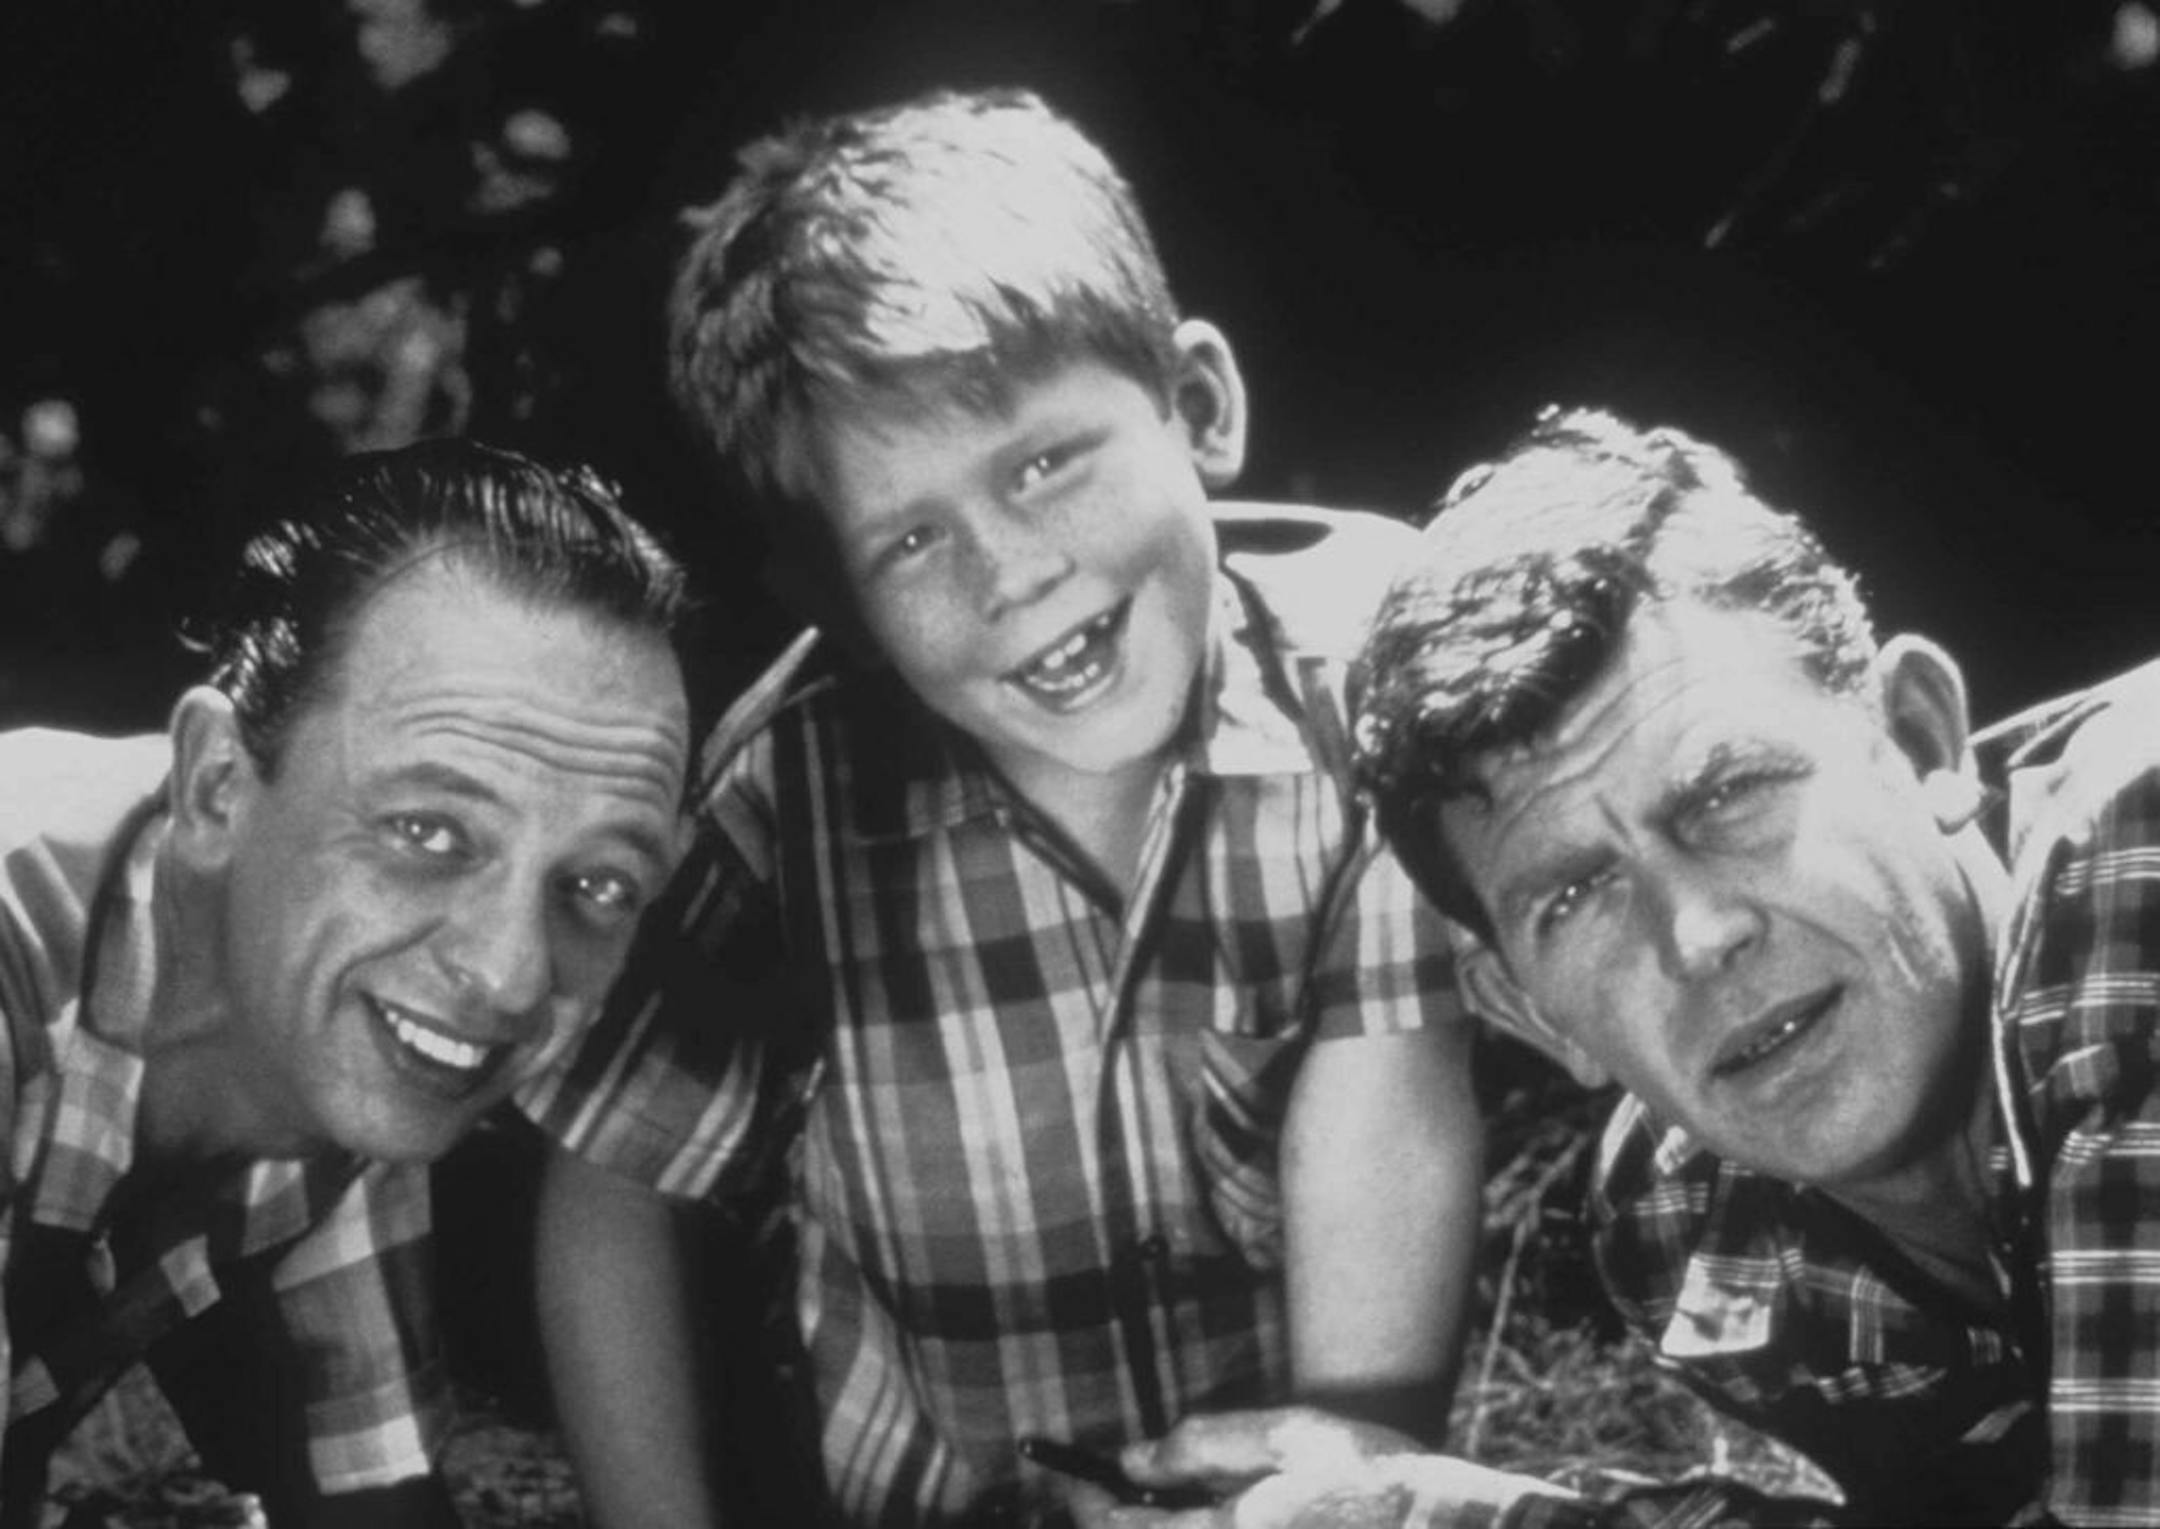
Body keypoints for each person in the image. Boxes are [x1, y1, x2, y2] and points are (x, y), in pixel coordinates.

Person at [518, 85, 1486, 1527]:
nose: (1009, 570)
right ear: (841, 605)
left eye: (1043, 462)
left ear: (1202, 409)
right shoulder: (795, 789)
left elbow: (1389, 1115)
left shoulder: (1364, 687)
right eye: (910, 539)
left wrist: (1334, 1495)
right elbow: (612, 1180)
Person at [1089, 404, 2160, 1526]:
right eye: (1575, 894)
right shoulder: (1691, 1233)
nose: (1694, 933)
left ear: (1922, 740)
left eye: (1728, 793)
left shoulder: (2131, 851)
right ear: (1529, 1010)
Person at [0, 438, 695, 1526]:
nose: (509, 975)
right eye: (428, 829)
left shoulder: (325, 1038)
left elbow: (372, 1502)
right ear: (219, 783)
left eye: (599, 883)